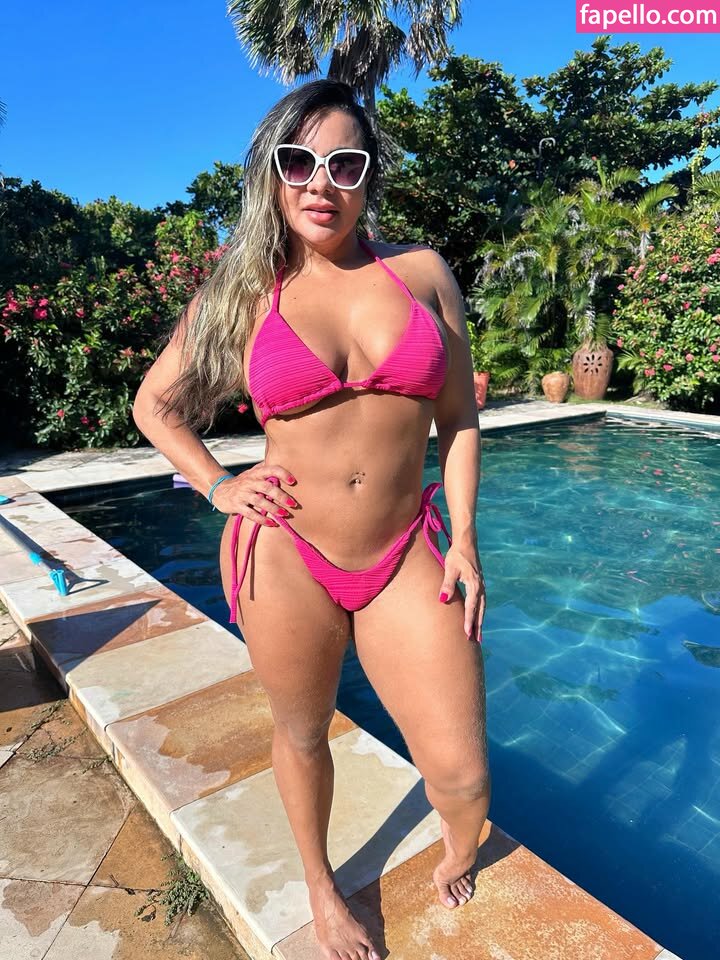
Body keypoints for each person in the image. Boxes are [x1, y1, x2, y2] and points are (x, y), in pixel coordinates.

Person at [133, 78, 489, 960]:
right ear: (274, 173)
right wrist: (218, 485)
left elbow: (459, 420)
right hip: (286, 547)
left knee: (464, 777)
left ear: (370, 178)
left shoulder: (421, 272)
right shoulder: (244, 290)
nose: (320, 183)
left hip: (402, 548)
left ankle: (456, 847)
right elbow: (155, 405)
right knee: (302, 732)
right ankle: (322, 889)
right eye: (298, 162)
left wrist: (466, 540)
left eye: (344, 164)